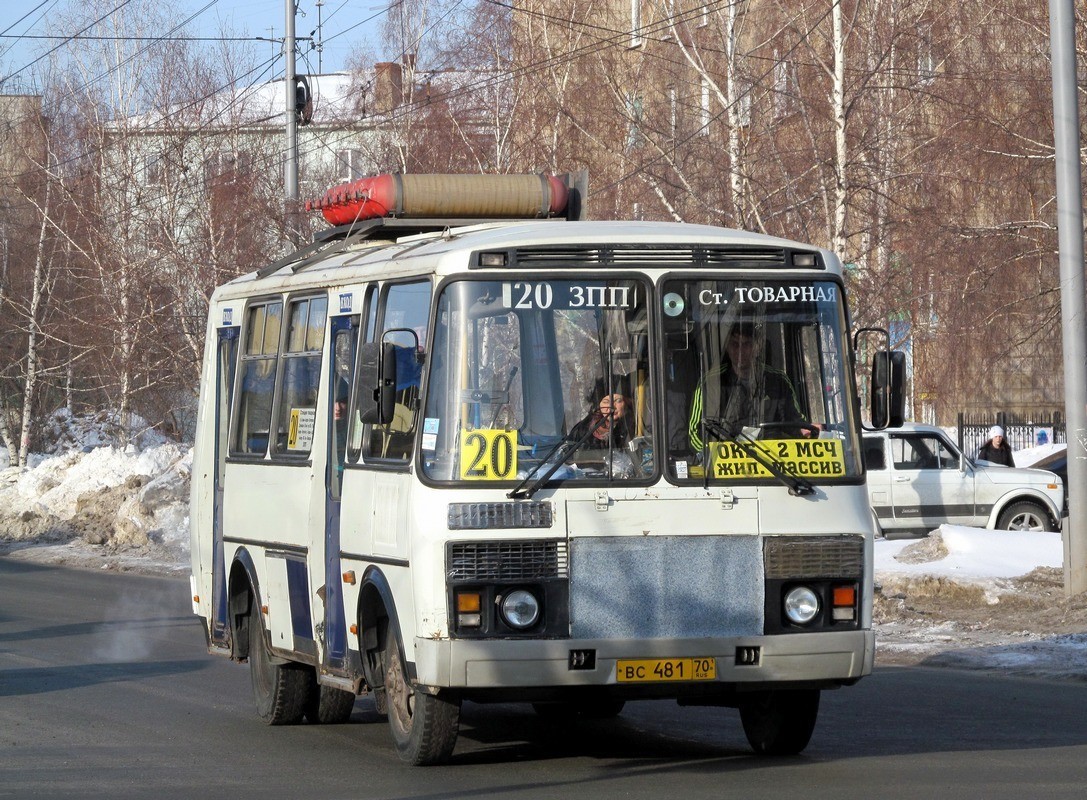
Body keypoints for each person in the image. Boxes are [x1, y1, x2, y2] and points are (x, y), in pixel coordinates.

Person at [688, 321, 804, 450]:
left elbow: (794, 423)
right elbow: (696, 435)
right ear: (726, 346)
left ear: (758, 346)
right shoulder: (711, 382)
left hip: (774, 461)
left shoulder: (779, 380)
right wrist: (720, 453)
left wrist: (806, 430)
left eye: (747, 344)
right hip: (730, 464)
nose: (740, 351)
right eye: (734, 344)